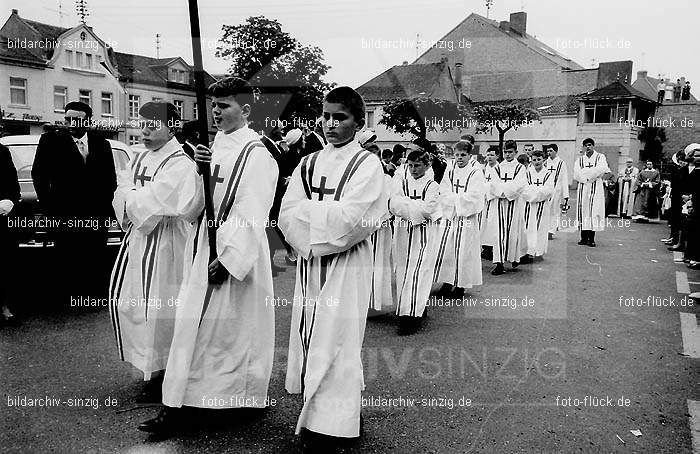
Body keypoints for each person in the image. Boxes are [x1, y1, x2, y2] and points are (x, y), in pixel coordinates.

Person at [142, 78, 278, 434]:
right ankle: (185, 403)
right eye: (213, 106)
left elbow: (254, 209)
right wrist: (198, 170)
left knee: (231, 333)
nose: (216, 112)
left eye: (225, 106)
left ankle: (238, 400)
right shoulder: (210, 149)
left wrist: (230, 260)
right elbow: (189, 209)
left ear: (246, 110)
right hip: (204, 245)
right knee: (195, 328)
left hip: (237, 253)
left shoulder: (258, 154)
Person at [279, 86, 386, 448]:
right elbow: (285, 213)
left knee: (338, 340)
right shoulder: (308, 163)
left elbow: (353, 222)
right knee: (311, 335)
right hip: (311, 263)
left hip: (347, 264)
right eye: (325, 116)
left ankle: (337, 423)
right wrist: (311, 229)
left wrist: (309, 217)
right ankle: (316, 415)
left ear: (358, 121)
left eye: (339, 117)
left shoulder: (368, 165)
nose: (330, 123)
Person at [109, 102, 203, 403]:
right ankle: (148, 368)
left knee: (161, 308)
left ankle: (165, 371)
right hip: (139, 240)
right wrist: (134, 197)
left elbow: (157, 202)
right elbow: (120, 190)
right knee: (135, 305)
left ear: (172, 127)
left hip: (166, 244)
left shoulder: (180, 163)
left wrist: (133, 197)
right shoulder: (137, 157)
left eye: (154, 125)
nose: (146, 130)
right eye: (143, 124)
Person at [31, 101, 117, 305]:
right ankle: (67, 298)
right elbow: (39, 175)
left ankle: (92, 297)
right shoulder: (50, 141)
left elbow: (110, 179)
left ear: (88, 121)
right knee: (66, 255)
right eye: (67, 118)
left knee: (95, 255)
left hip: (95, 214)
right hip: (64, 213)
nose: (70, 123)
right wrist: (50, 206)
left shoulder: (101, 143)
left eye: (75, 119)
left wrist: (103, 207)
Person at [390, 147, 441, 334]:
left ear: (427, 165)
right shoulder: (402, 182)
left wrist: (406, 206)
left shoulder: (432, 186)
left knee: (418, 271)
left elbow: (428, 210)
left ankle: (410, 317)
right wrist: (411, 207)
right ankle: (412, 307)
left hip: (424, 234)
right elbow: (393, 204)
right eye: (410, 165)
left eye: (417, 165)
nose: (413, 169)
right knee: (403, 272)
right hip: (403, 233)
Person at [435, 141, 485, 296]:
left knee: (464, 250)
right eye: (456, 155)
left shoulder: (475, 172)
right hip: (450, 215)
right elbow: (443, 190)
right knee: (447, 250)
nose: (459, 158)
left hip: (466, 218)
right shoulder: (450, 170)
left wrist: (455, 199)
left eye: (463, 155)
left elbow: (475, 196)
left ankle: (460, 285)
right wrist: (453, 200)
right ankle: (447, 281)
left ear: (470, 155)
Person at [488, 140, 527, 275]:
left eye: (510, 152)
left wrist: (506, 192)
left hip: (514, 203)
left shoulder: (520, 168)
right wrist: (502, 193)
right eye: (505, 152)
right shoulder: (497, 168)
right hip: (499, 203)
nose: (508, 155)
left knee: (513, 231)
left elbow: (520, 184)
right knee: (498, 233)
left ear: (516, 152)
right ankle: (499, 263)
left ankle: (514, 257)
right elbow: (493, 184)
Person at [520, 149, 555, 263]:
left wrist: (534, 194)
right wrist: (534, 194)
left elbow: (548, 190)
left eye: (539, 159)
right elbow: (524, 189)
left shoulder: (548, 174)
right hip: (529, 205)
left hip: (542, 205)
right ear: (531, 160)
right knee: (528, 228)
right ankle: (528, 252)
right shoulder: (527, 173)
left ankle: (538, 252)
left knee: (540, 229)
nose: (536, 162)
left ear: (544, 160)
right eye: (534, 160)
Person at [574, 138, 610, 247]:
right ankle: (583, 237)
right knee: (583, 210)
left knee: (593, 211)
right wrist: (587, 176)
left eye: (589, 145)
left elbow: (602, 169)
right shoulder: (579, 160)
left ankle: (591, 238)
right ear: (583, 147)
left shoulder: (600, 157)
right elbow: (576, 173)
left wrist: (588, 174)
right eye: (585, 145)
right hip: (583, 187)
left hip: (595, 186)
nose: (588, 147)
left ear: (593, 146)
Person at [0, 141, 20, 327]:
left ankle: (5, 307)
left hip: (0, 217)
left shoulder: (2, 152)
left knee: (4, 264)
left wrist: (8, 201)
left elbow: (12, 186)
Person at [663, 150, 689, 247]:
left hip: (682, 197)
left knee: (680, 220)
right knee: (674, 218)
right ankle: (674, 238)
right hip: (676, 196)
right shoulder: (679, 170)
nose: (681, 162)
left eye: (682, 160)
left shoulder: (685, 171)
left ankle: (678, 241)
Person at [544, 144, 569, 239]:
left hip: (557, 191)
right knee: (546, 211)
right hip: (547, 190)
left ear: (556, 151)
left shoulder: (561, 163)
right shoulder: (545, 163)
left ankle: (551, 231)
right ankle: (545, 229)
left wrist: (565, 194)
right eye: (548, 151)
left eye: (551, 151)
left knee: (555, 211)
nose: (549, 153)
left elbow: (564, 179)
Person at [480, 145, 500, 260]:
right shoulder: (483, 168)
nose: (490, 157)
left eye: (492, 155)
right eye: (488, 155)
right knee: (484, 224)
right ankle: (485, 248)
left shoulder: (499, 169)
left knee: (493, 225)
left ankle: (493, 248)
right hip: (484, 201)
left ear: (497, 156)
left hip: (494, 200)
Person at [684, 146, 700, 269]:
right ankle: (692, 256)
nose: (698, 158)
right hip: (695, 204)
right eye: (696, 155)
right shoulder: (694, 172)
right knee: (693, 230)